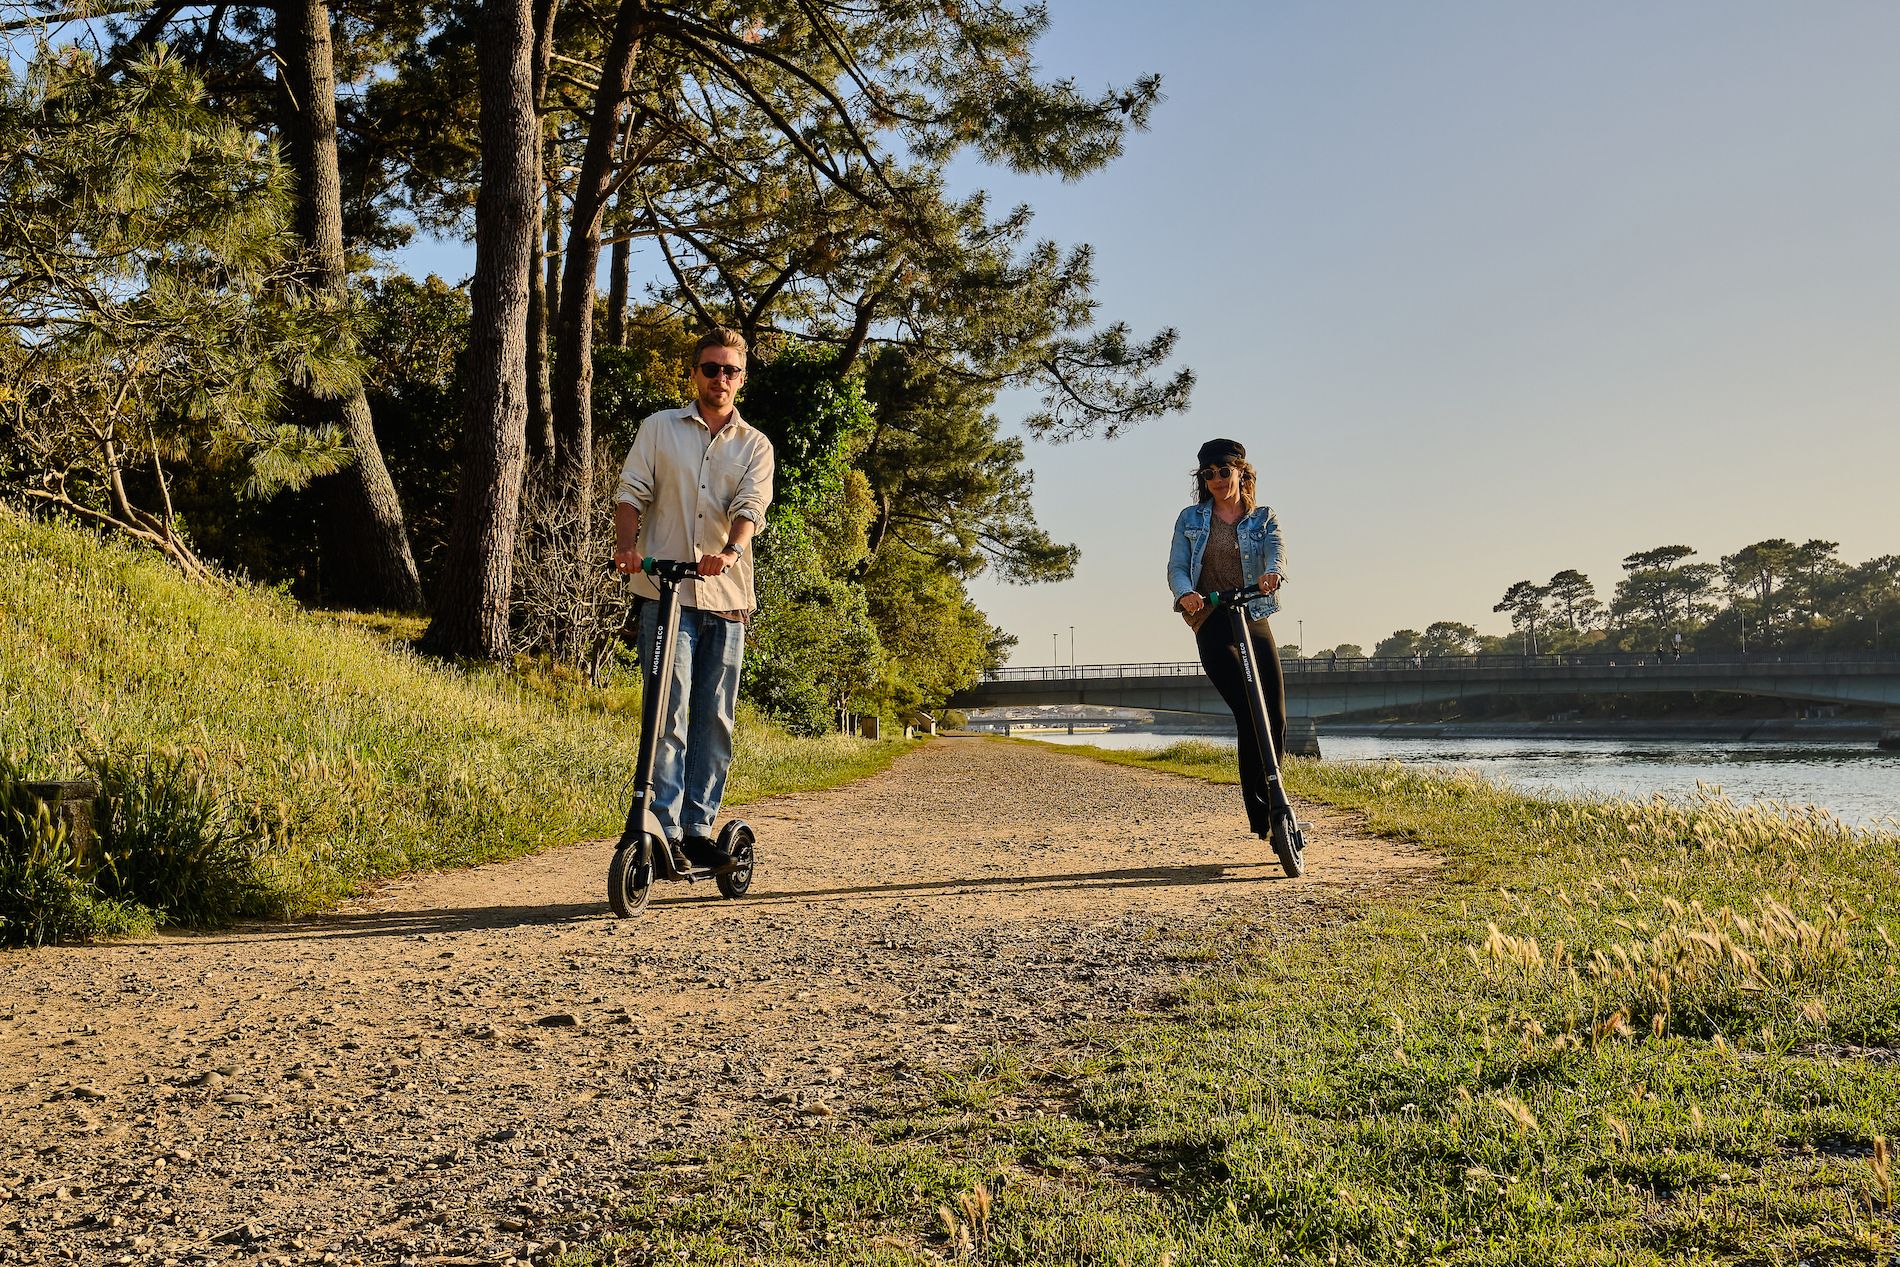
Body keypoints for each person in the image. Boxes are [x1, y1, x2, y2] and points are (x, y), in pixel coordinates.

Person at [611, 329, 775, 868]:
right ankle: (663, 826)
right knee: (667, 709)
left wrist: (730, 550)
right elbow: (631, 490)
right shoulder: (659, 429)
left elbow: (751, 505)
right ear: (694, 373)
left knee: (714, 715)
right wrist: (627, 547)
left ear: (742, 379)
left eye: (730, 370)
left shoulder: (755, 446)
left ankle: (699, 825)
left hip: (725, 597)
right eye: (710, 368)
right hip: (666, 594)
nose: (719, 379)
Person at [1167, 438, 1287, 839]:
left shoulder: (1263, 516)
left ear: (1240, 471)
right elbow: (1177, 567)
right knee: (1247, 710)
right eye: (1209, 474)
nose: (1217, 479)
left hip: (1253, 612)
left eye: (1224, 471)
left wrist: (1272, 574)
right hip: (1210, 616)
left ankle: (1276, 801)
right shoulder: (1190, 518)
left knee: (1275, 714)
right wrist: (1185, 593)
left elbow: (1276, 551)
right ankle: (1260, 816)